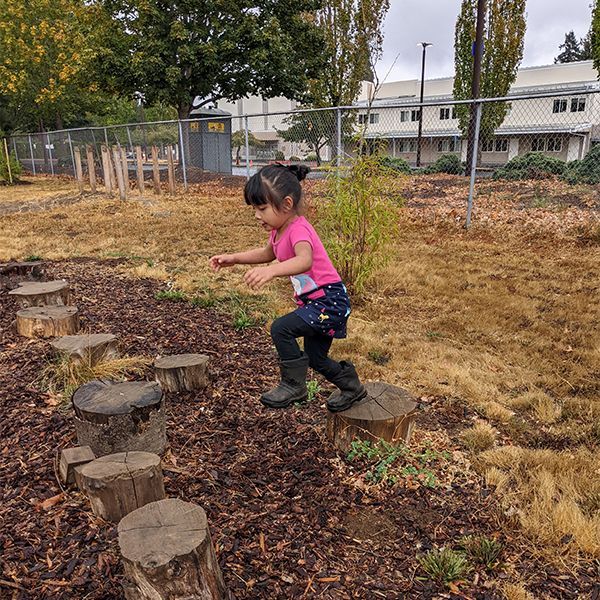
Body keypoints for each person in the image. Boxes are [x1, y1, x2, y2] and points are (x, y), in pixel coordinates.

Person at [210, 163, 366, 412]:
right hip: (317, 303)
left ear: (286, 204)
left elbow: (304, 260)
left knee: (281, 328)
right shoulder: (278, 230)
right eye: (254, 209)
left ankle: (293, 385)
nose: (256, 215)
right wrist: (234, 258)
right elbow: (267, 253)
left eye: (261, 208)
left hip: (329, 301)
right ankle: (352, 387)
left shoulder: (299, 229)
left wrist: (271, 272)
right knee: (316, 358)